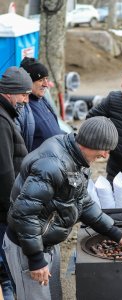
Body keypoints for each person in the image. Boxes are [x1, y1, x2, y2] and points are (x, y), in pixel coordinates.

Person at [4, 116, 122, 300]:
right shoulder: (52, 165)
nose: (105, 155)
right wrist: (35, 259)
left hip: (46, 241)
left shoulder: (77, 159)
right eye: (104, 149)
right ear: (90, 142)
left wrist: (114, 231)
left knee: (53, 295)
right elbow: (24, 213)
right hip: (26, 246)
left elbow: (82, 202)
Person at [0, 66, 33, 299]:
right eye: (24, 94)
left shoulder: (6, 115)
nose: (26, 99)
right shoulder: (2, 121)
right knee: (6, 267)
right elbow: (4, 172)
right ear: (11, 92)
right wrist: (13, 210)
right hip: (4, 210)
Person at [16, 57, 63, 152]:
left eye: (46, 79)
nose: (46, 84)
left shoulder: (42, 99)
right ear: (28, 82)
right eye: (41, 80)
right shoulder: (21, 107)